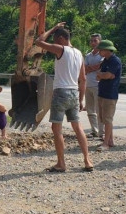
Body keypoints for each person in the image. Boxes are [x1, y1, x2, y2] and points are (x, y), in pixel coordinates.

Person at [35, 22, 93, 172]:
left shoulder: (60, 49)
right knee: (78, 127)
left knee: (57, 128)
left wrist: (53, 28)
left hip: (61, 92)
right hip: (74, 92)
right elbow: (83, 79)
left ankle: (61, 163)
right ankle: (87, 160)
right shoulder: (79, 53)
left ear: (61, 38)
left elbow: (39, 42)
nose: (53, 42)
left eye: (55, 38)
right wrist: (81, 99)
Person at [95, 39, 121, 151]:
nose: (99, 51)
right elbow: (102, 75)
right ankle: (110, 140)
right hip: (102, 92)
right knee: (103, 118)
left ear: (106, 50)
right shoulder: (105, 61)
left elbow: (108, 75)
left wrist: (102, 75)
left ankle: (106, 143)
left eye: (100, 50)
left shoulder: (115, 61)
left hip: (110, 93)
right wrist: (102, 75)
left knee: (108, 119)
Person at [84, 33, 104, 138]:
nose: (93, 42)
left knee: (99, 110)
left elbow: (99, 66)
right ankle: (94, 130)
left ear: (100, 41)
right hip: (88, 85)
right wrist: (93, 68)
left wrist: (90, 68)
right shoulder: (88, 55)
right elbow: (84, 69)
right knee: (90, 110)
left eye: (95, 41)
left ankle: (102, 132)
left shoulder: (102, 55)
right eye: (91, 41)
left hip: (98, 85)